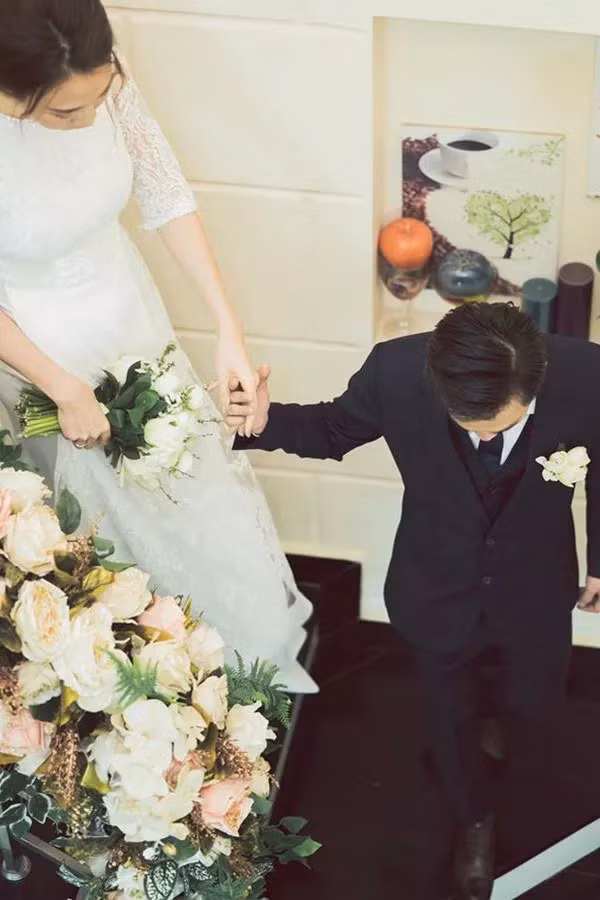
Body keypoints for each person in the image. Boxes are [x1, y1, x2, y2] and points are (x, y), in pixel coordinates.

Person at [228, 301, 600, 899]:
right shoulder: (395, 370)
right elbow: (331, 431)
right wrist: (260, 423)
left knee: (535, 697)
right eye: (470, 423)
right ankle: (472, 816)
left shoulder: (587, 374)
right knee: (447, 717)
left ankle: (505, 729)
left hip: (537, 581)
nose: (484, 437)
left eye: (498, 426)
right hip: (435, 584)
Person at [0, 0, 316, 694]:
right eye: (64, 113)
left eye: (102, 96)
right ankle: (137, 678)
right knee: (92, 518)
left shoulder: (91, 68)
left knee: (185, 475)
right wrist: (63, 386)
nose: (90, 120)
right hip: (39, 347)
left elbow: (166, 194)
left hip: (130, 310)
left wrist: (228, 329)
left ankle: (233, 654)